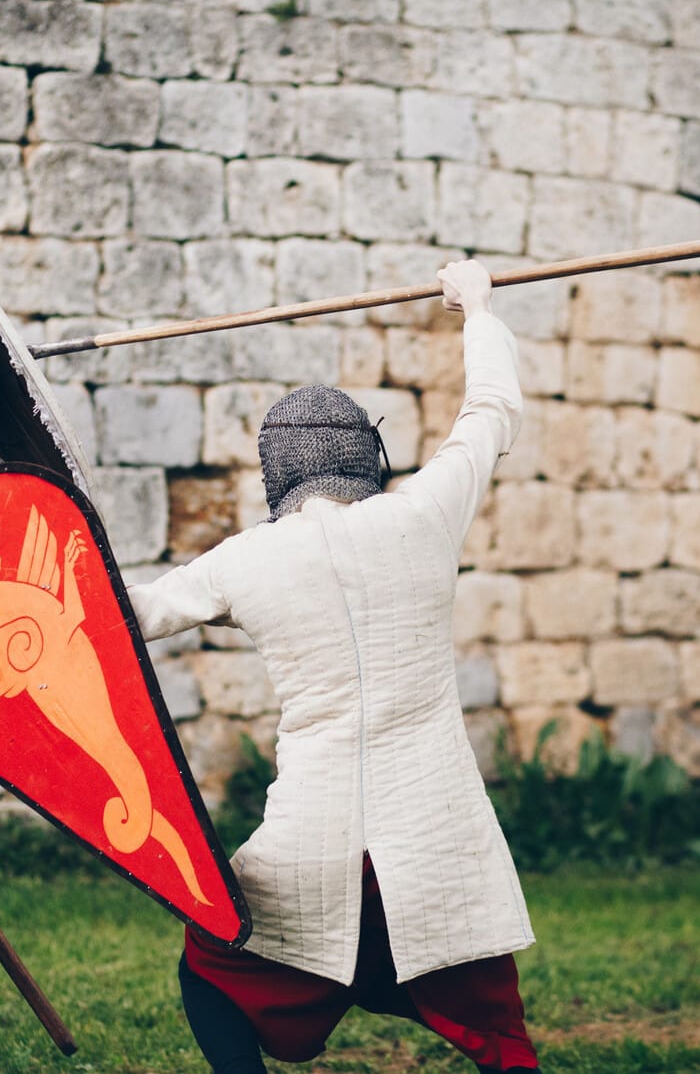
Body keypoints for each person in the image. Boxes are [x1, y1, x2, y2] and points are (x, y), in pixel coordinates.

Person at [127, 259, 539, 1074]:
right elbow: (490, 411)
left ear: (276, 471)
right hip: (433, 848)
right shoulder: (424, 515)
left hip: (310, 851)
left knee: (210, 967)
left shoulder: (246, 559)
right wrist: (477, 307)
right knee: (498, 1034)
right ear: (367, 454)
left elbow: (126, 617)